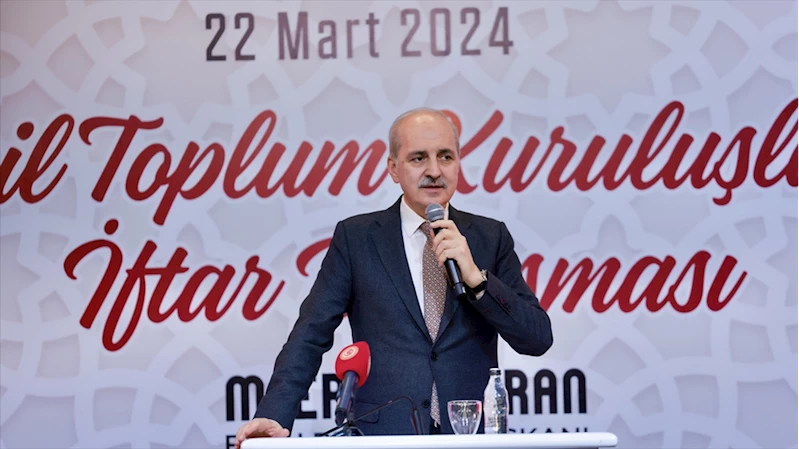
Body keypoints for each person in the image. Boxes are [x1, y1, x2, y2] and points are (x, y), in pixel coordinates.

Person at [234, 108, 553, 447]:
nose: (434, 171)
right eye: (418, 158)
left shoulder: (489, 237)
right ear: (393, 169)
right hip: (385, 435)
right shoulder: (357, 239)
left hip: (470, 434)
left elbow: (537, 338)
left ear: (458, 163)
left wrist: (478, 280)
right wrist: (274, 415)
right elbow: (310, 334)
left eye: (446, 156)